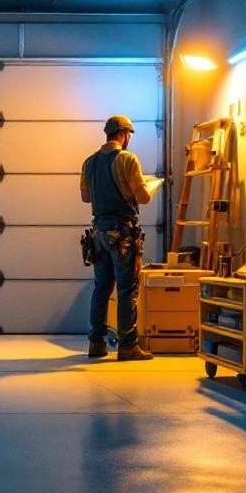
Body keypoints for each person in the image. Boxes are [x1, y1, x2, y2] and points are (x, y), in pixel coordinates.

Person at [80, 115, 155, 361]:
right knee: (127, 290)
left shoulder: (89, 162)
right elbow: (143, 199)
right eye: (129, 135)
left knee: (101, 289)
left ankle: (96, 344)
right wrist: (148, 186)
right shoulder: (127, 159)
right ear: (124, 133)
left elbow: (86, 198)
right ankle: (127, 346)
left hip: (99, 235)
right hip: (122, 233)